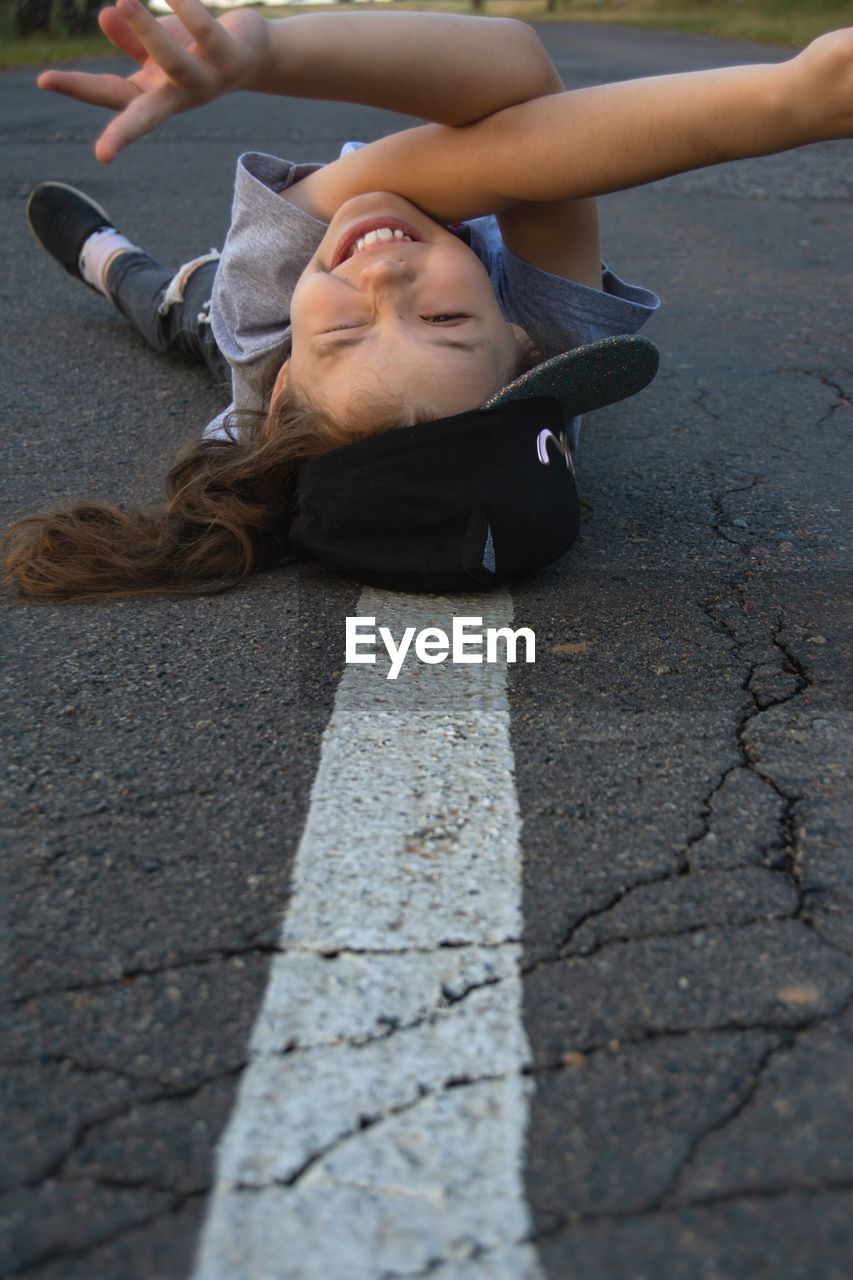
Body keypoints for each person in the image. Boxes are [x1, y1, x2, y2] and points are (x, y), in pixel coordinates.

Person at [5, 2, 852, 602]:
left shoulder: (266, 313)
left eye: (344, 328)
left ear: (288, 382)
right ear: (525, 343)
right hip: (358, 342)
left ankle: (104, 257)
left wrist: (266, 53)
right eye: (446, 320)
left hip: (247, 327)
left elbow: (495, 126)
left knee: (174, 305)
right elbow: (520, 77)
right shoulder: (548, 360)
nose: (383, 281)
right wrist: (801, 99)